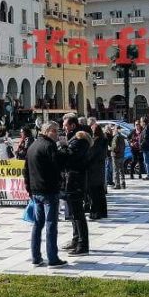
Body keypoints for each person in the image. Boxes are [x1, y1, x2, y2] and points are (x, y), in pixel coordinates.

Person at [23, 121, 66, 267]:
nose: (57, 134)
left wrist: (29, 189)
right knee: (50, 224)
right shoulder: (49, 146)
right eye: (55, 131)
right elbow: (58, 164)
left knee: (38, 224)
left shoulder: (33, 146)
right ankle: (52, 258)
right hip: (49, 191)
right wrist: (63, 148)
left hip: (36, 191)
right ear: (47, 131)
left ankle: (36, 257)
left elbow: (25, 171)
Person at [60, 114, 91, 255]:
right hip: (71, 180)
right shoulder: (73, 138)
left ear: (72, 125)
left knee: (78, 214)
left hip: (76, 181)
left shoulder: (79, 139)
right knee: (73, 213)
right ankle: (76, 239)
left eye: (65, 125)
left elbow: (70, 157)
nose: (63, 128)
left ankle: (83, 244)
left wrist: (63, 146)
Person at [86, 123, 109, 219]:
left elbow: (90, 155)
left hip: (93, 170)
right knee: (100, 192)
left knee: (94, 192)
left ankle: (95, 212)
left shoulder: (96, 142)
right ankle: (103, 212)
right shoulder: (103, 140)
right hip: (100, 169)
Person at [109, 125, 127, 189]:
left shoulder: (116, 137)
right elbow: (124, 146)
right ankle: (123, 183)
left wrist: (110, 148)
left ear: (116, 130)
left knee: (116, 170)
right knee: (121, 170)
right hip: (121, 155)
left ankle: (117, 184)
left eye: (113, 129)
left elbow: (115, 147)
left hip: (116, 156)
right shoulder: (122, 136)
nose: (113, 130)